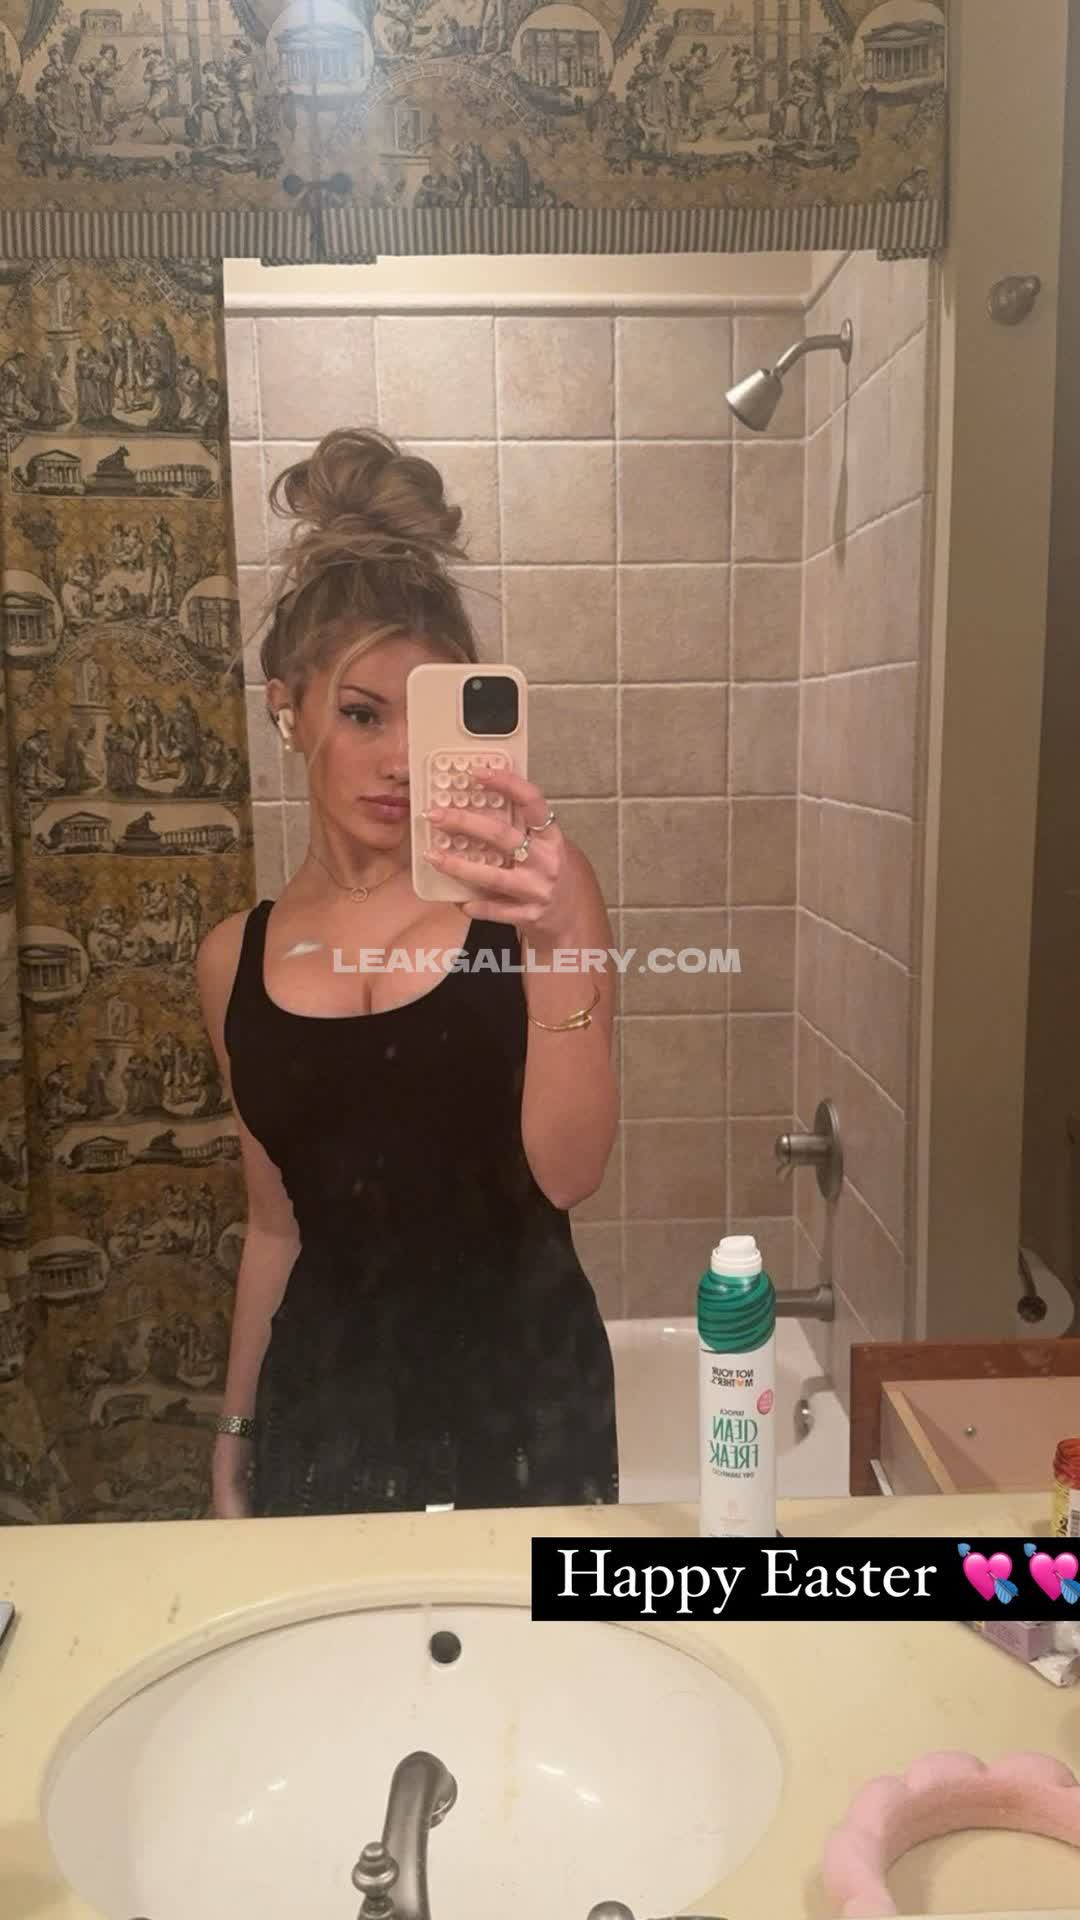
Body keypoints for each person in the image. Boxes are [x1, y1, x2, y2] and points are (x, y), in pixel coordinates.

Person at [196, 428, 619, 1519]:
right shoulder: (233, 958)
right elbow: (276, 1223)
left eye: (419, 720)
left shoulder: (530, 897)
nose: (396, 761)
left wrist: (560, 938)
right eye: (360, 713)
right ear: (287, 708)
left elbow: (570, 1174)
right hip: (327, 1408)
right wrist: (234, 1433)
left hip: (529, 1401)